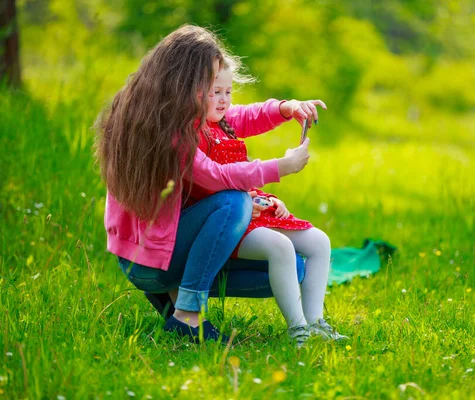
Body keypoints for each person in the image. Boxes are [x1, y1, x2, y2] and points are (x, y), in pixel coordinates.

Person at [94, 25, 312, 344]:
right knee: (234, 202)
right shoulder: (167, 128)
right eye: (209, 86)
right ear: (185, 80)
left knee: (294, 267)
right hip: (150, 260)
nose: (216, 96)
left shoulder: (160, 109)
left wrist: (283, 108)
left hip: (149, 254)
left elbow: (235, 117)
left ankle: (173, 302)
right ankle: (187, 316)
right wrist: (281, 167)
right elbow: (213, 175)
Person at [187, 56, 347, 346]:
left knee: (320, 242)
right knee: (281, 247)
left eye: (228, 91)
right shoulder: (191, 132)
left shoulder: (222, 122)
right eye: (215, 92)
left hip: (252, 212)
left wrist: (288, 107)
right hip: (225, 225)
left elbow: (252, 115)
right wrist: (260, 189)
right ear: (194, 92)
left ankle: (315, 321)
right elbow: (210, 184)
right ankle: (298, 329)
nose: (223, 100)